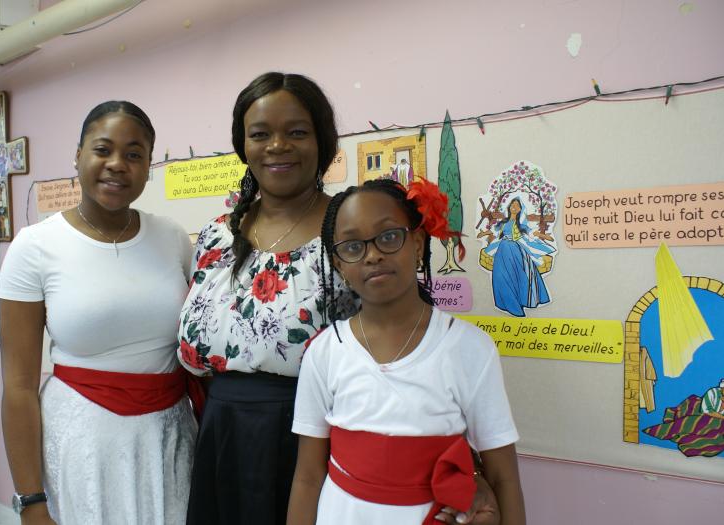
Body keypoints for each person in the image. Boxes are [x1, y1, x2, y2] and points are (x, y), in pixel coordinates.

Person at [179, 72, 494, 525]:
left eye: (297, 132)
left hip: (324, 446)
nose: (278, 146)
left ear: (323, 142)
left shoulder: (349, 232)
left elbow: (414, 350)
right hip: (223, 443)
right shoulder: (215, 236)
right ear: (242, 145)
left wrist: (466, 465)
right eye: (260, 134)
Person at [0, 101, 196, 525]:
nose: (117, 164)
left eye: (134, 154)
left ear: (148, 167)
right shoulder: (34, 247)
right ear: (78, 155)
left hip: (169, 438)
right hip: (83, 445)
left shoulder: (173, 238)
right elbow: (17, 387)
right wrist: (29, 499)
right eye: (102, 149)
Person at [288, 179, 525, 525]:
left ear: (417, 243)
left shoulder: (469, 349)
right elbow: (308, 477)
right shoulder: (324, 352)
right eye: (353, 246)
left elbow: (503, 477)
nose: (372, 254)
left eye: (388, 237)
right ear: (339, 264)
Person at [482, 196, 555, 317]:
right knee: (500, 276)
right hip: (502, 251)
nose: (514, 207)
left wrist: (546, 236)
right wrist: (484, 233)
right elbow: (494, 233)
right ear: (509, 207)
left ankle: (516, 305)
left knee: (516, 277)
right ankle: (505, 303)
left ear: (521, 209)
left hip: (515, 252)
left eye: (517, 205)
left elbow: (532, 234)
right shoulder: (503, 223)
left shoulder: (522, 225)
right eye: (512, 204)